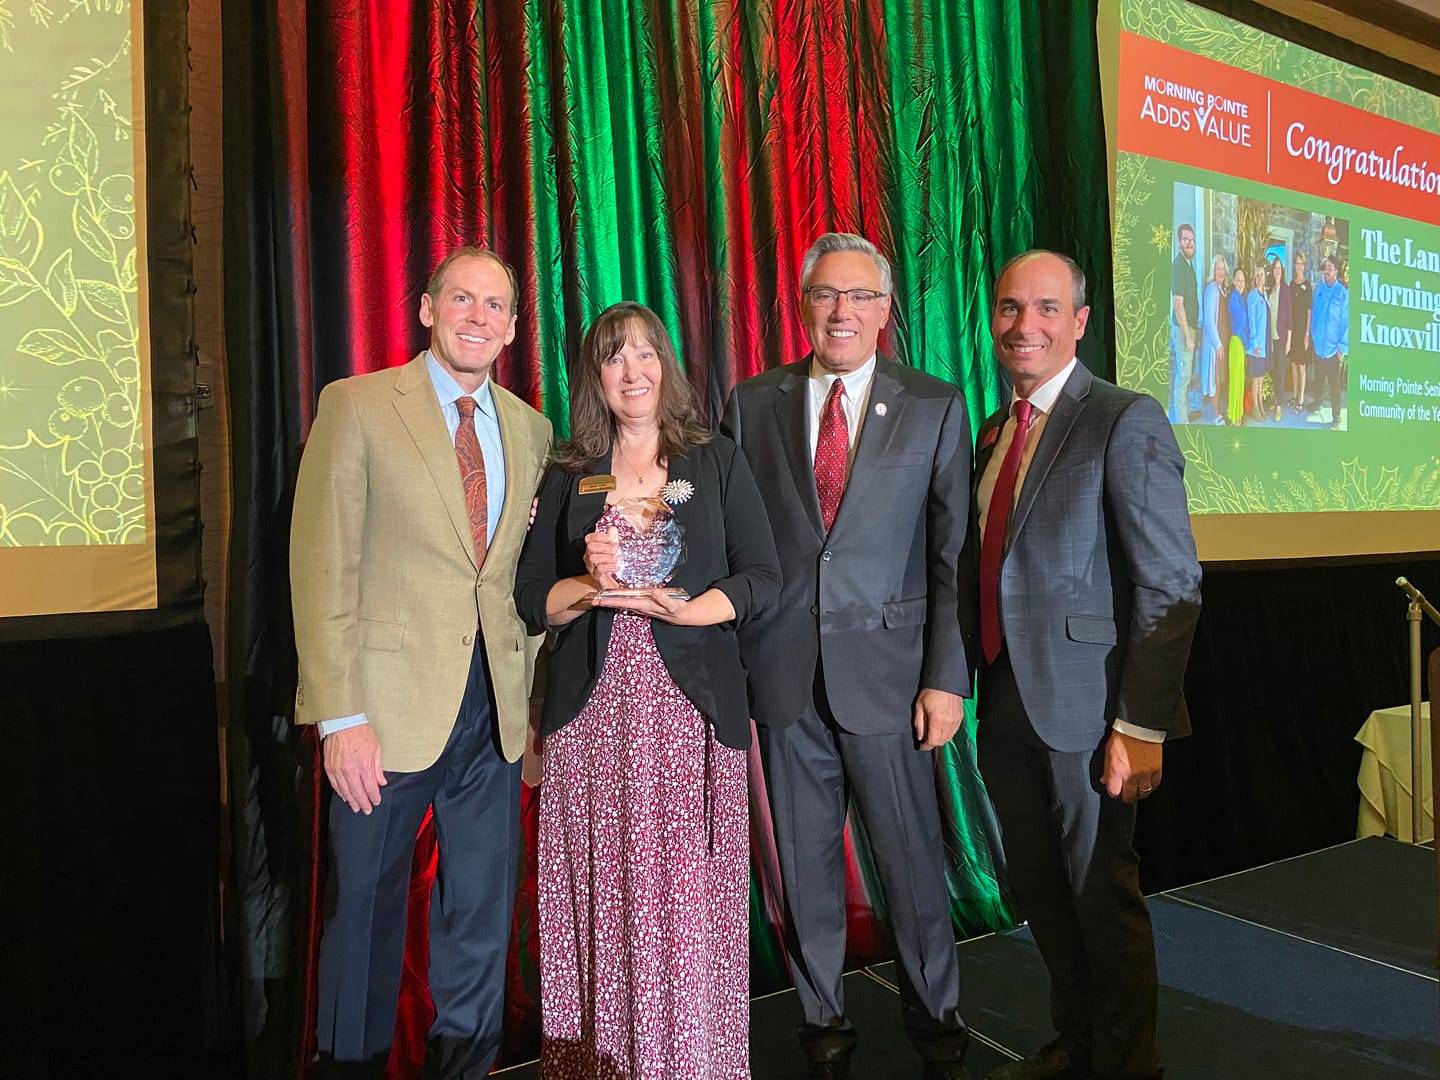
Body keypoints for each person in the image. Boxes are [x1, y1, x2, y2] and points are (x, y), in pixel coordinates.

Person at [291, 247, 553, 1078]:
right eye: (463, 299)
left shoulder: (531, 427)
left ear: (512, 326)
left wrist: (534, 711)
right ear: (427, 309)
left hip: (495, 717)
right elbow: (321, 564)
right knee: (363, 914)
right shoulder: (359, 407)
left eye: (497, 306)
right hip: (384, 714)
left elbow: (519, 576)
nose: (479, 316)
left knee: (479, 916)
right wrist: (341, 717)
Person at [722, 232, 975, 1080]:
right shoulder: (752, 402)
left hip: (894, 684)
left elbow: (952, 557)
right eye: (827, 295)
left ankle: (937, 1025)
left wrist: (946, 676)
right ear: (804, 304)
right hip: (785, 678)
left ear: (885, 309)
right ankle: (823, 1026)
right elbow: (736, 544)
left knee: (910, 864)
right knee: (804, 870)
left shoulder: (934, 405)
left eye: (860, 296)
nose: (842, 312)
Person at [515, 301, 780, 1078]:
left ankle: (692, 1060)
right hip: (593, 718)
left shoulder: (716, 460)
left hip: (688, 712)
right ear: (595, 377)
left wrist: (693, 610)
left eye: (644, 355)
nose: (632, 372)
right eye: (613, 358)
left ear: (665, 365)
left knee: (685, 901)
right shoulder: (570, 472)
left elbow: (763, 575)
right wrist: (586, 583)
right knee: (604, 898)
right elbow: (533, 597)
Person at [976, 251, 1201, 1080]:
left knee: (1101, 903)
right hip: (1002, 706)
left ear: (1078, 321)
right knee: (1044, 899)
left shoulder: (1123, 416)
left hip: (1092, 715)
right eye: (1008, 308)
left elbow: (1171, 582)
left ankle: (1128, 1067)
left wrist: (1139, 725)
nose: (1023, 325)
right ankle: (1074, 1047)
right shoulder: (995, 430)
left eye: (1044, 308)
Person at [1310, 255, 1349, 429]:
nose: (1327, 270)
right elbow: (1315, 314)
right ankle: (1317, 402)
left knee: (1334, 384)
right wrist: (1312, 335)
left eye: (1330, 267)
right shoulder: (1319, 289)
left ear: (1336, 270)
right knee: (1318, 379)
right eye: (1325, 267)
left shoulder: (1342, 293)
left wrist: (1342, 348)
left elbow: (1346, 322)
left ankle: (1336, 416)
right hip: (1318, 346)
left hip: (1334, 349)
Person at [1168, 225, 1199, 423]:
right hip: (1183, 331)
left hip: (1190, 329)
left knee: (1186, 376)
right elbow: (1178, 305)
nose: (1189, 243)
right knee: (1183, 379)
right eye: (1185, 239)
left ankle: (1185, 413)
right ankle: (1182, 422)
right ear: (1179, 242)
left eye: (1192, 240)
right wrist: (1188, 336)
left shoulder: (1188, 265)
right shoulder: (1178, 266)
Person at [1199, 255, 1227, 423]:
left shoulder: (1222, 290)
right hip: (1215, 344)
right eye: (1218, 269)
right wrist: (1217, 345)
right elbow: (1209, 319)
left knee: (1220, 379)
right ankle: (1216, 414)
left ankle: (1218, 411)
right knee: (1215, 380)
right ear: (1213, 271)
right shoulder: (1211, 289)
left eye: (1223, 269)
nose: (1220, 272)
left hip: (1222, 342)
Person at [1245, 261, 1269, 424]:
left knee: (1261, 377)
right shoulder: (1253, 296)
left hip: (1264, 344)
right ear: (1254, 278)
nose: (1260, 278)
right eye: (1257, 275)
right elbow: (1251, 321)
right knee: (1256, 378)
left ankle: (1260, 405)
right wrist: (1255, 343)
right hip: (1256, 346)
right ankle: (1255, 407)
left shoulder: (1264, 294)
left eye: (1262, 275)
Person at [1268, 256, 1292, 421]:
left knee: (1280, 372)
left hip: (1281, 338)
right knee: (1273, 370)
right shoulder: (1270, 288)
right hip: (1269, 338)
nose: (1277, 270)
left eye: (1279, 268)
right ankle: (1277, 399)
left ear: (1282, 271)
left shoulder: (1285, 289)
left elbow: (1290, 316)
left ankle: (1279, 407)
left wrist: (1289, 340)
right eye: (1275, 267)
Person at [1289, 253, 1313, 415]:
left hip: (1302, 331)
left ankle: (1301, 399)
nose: (1299, 266)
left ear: (1304, 266)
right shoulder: (1291, 284)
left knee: (1301, 365)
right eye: (1297, 263)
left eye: (1301, 263)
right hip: (1292, 331)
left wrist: (1306, 334)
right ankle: (1295, 395)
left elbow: (1309, 312)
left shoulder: (1308, 285)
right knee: (1293, 364)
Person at [1224, 265, 1248, 426]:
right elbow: (1239, 326)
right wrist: (1247, 344)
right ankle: (1234, 417)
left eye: (1242, 280)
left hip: (1240, 343)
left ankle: (1237, 413)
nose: (1240, 283)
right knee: (1235, 381)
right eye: (1237, 280)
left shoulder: (1240, 298)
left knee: (1240, 380)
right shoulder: (1234, 299)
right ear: (1233, 281)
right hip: (1237, 342)